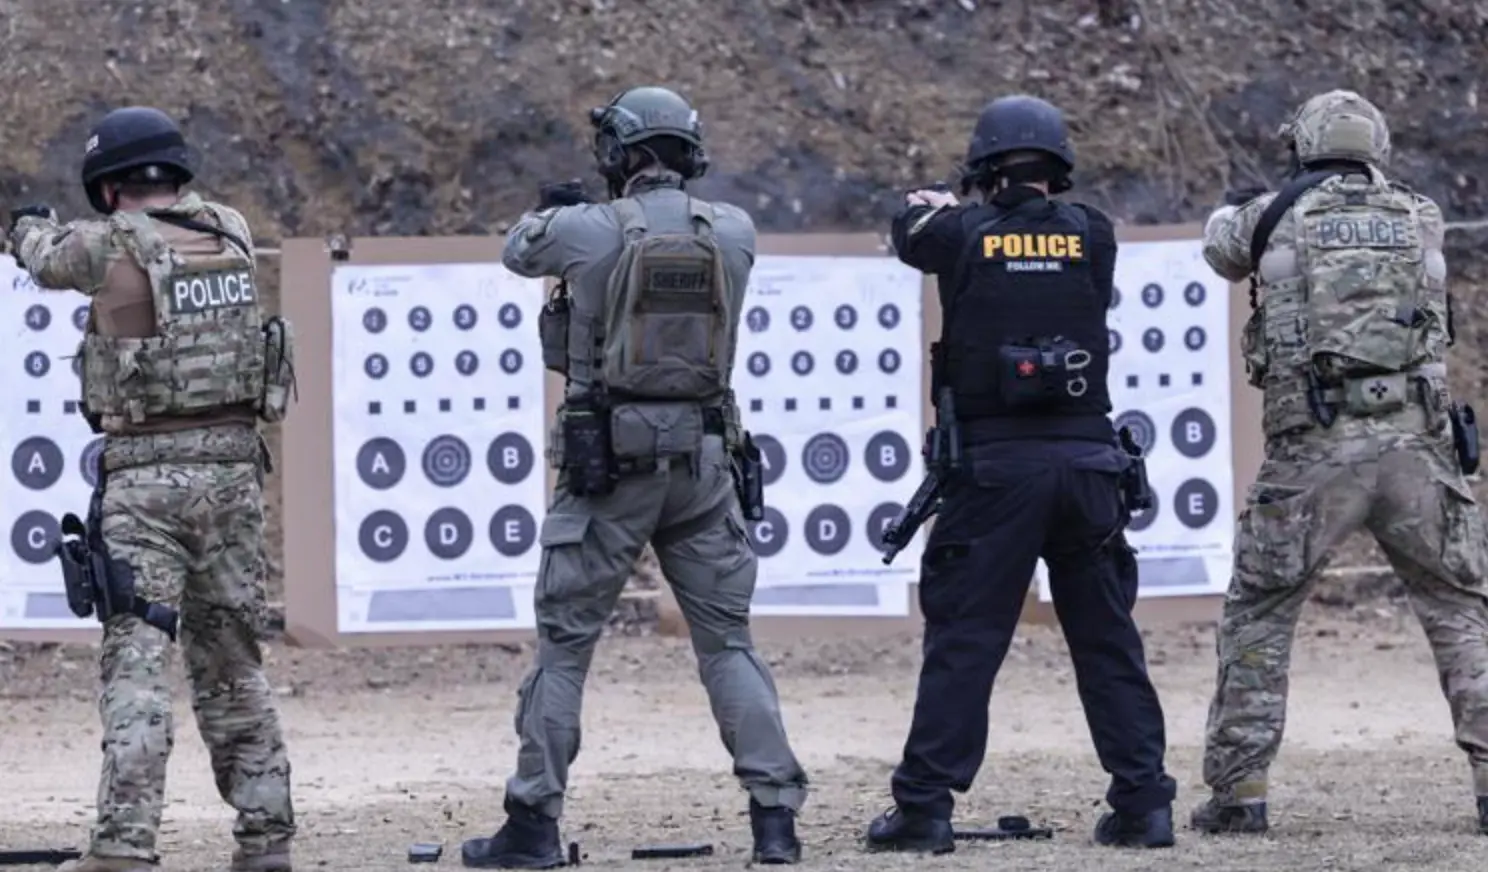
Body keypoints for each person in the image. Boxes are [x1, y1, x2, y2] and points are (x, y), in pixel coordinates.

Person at [459, 85, 809, 869]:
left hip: (606, 465)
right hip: (706, 462)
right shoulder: (736, 231)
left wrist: (557, 210)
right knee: (728, 646)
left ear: (621, 155)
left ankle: (533, 825)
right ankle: (775, 821)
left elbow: (520, 249)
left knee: (565, 649)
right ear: (690, 152)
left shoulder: (587, 230)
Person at [862, 94, 1178, 855]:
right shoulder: (1094, 233)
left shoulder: (960, 231)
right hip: (1088, 465)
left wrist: (938, 201)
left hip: (997, 469)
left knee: (967, 640)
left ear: (984, 168)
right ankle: (1144, 804)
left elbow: (910, 230)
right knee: (1107, 641)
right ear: (1058, 167)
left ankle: (926, 809)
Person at [6, 107, 299, 872]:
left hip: (145, 480)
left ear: (107, 188)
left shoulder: (107, 242)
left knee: (138, 662)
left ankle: (122, 848)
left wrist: (24, 222)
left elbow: (41, 255)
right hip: (237, 474)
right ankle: (267, 841)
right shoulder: (231, 230)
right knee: (234, 665)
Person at [1193, 89, 1488, 836]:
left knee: (1260, 615)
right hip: (1418, 447)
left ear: (1305, 146)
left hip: (1313, 452)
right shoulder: (1421, 214)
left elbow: (1219, 247)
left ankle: (1241, 793)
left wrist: (1244, 203)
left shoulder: (1271, 214)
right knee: (1460, 614)